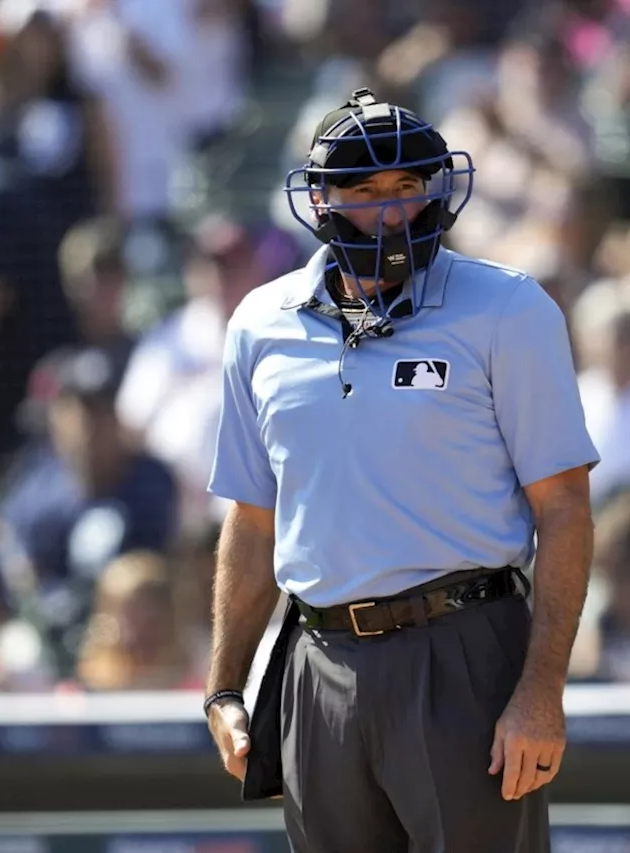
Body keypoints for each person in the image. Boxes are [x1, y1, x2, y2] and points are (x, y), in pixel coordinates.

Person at [204, 88, 599, 853]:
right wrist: (225, 684)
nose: (390, 211)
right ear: (321, 199)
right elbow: (253, 518)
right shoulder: (259, 323)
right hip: (318, 659)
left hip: (463, 651)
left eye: (408, 187)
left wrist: (541, 690)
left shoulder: (508, 309)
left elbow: (565, 510)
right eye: (364, 190)